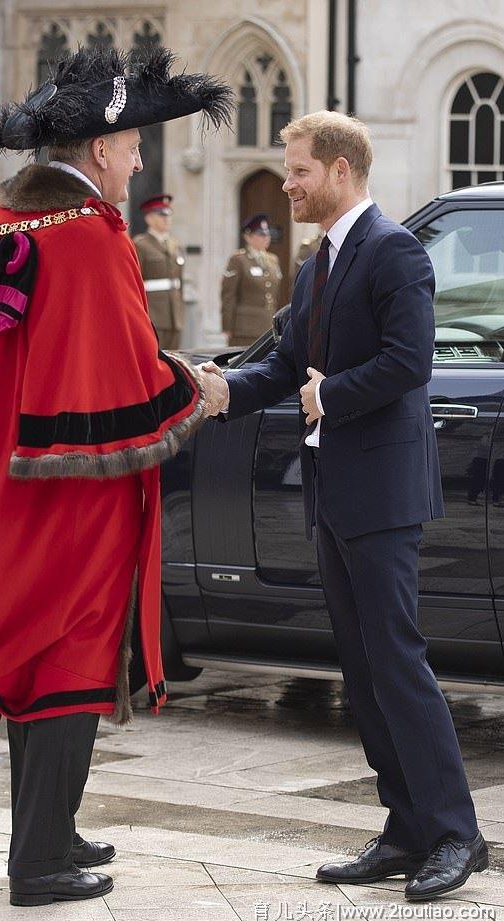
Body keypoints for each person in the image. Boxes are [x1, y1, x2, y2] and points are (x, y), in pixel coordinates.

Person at [0, 46, 233, 908]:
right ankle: (39, 862)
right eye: (131, 147)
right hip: (66, 500)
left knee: (29, 655)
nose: (138, 160)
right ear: (96, 151)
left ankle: (52, 827)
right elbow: (123, 378)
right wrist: (196, 386)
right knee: (64, 661)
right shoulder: (86, 238)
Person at [200, 110, 487, 902]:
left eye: (296, 170)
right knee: (360, 670)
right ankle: (403, 828)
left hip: (383, 491)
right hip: (333, 490)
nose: (286, 182)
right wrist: (222, 389)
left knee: (396, 660)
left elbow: (409, 360)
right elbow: (290, 362)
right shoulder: (315, 263)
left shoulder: (391, 250)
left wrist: (331, 396)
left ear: (339, 170)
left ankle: (457, 833)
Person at [221, 212, 283, 346]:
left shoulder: (273, 260)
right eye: (261, 234)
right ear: (248, 236)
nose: (266, 237)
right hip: (244, 329)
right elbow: (228, 295)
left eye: (267, 233)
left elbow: (274, 295)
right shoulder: (239, 260)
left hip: (267, 326)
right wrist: (227, 326)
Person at [133, 194, 186, 349]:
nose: (167, 219)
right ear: (149, 219)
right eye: (161, 215)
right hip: (154, 314)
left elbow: (179, 282)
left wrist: (179, 310)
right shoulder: (140, 245)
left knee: (175, 360)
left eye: (169, 215)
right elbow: (135, 282)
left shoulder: (175, 245)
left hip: (174, 315)